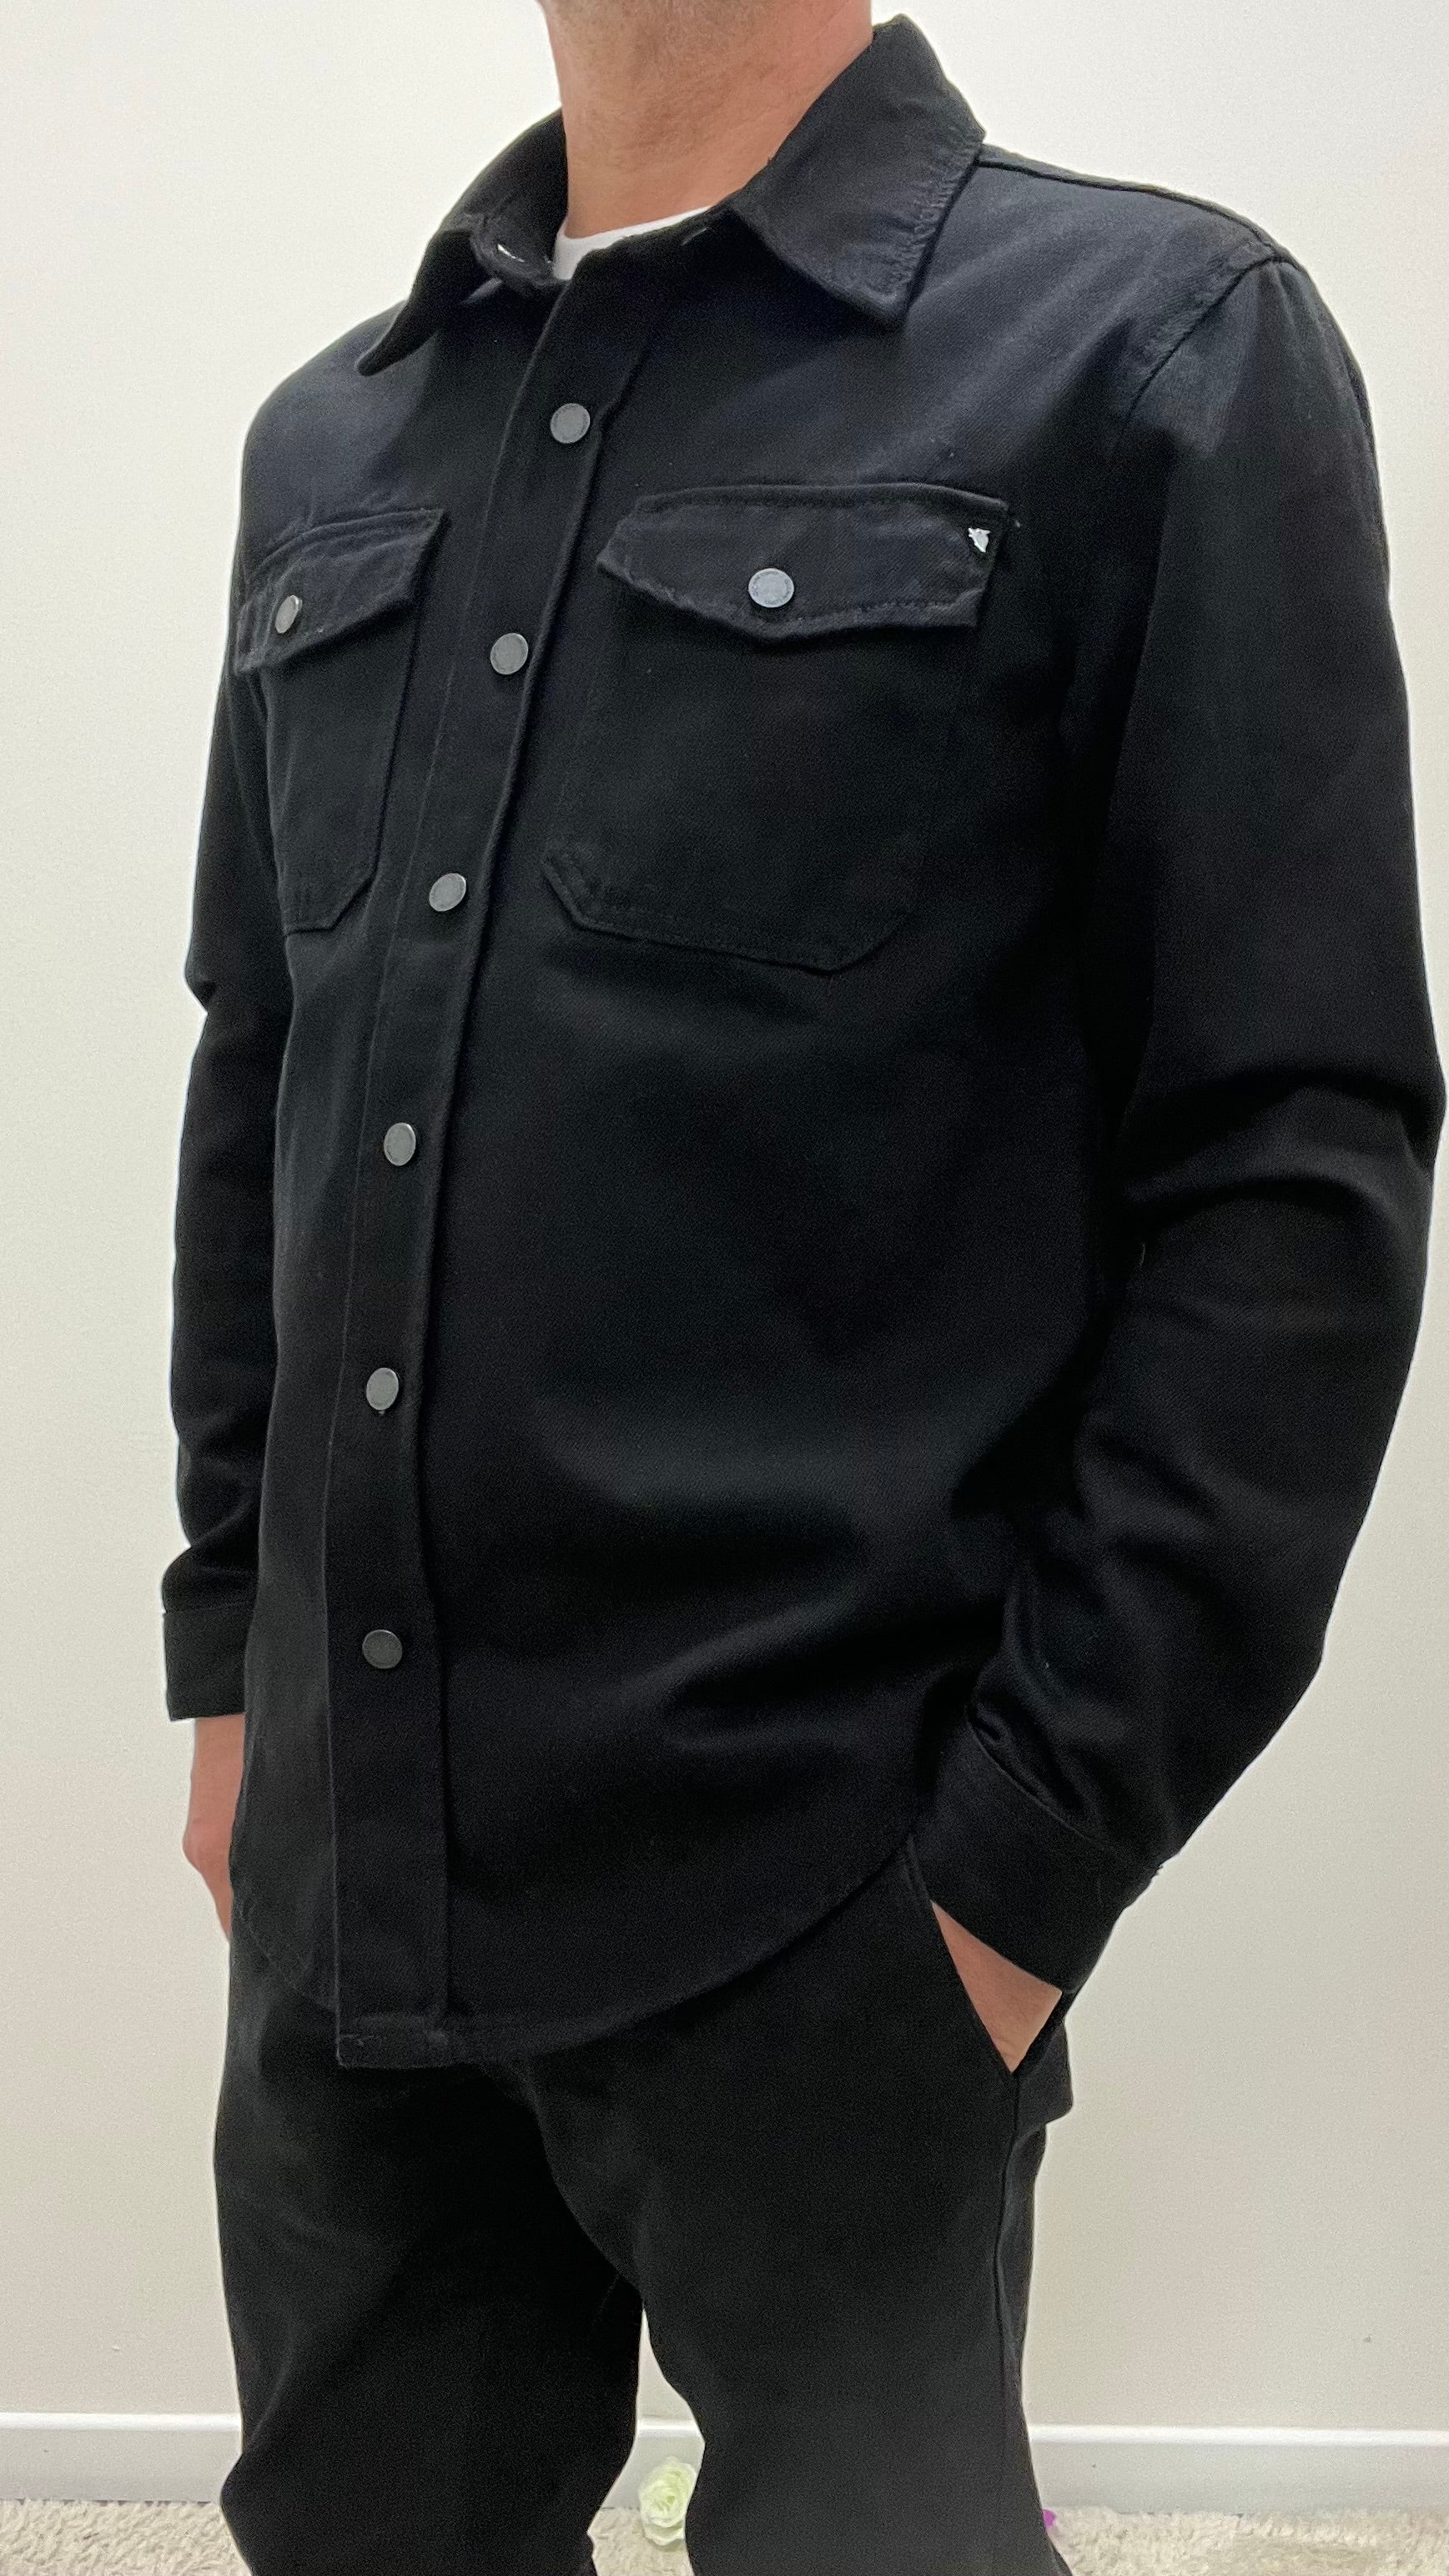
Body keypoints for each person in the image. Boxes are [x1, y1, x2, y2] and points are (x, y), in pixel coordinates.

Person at [164, 0, 1444, 2567]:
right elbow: (262, 1075)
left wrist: (1015, 1875)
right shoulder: (332, 441)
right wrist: (228, 1671)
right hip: (346, 1893)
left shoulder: (1145, 352)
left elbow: (1287, 1164)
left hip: (828, 1905)